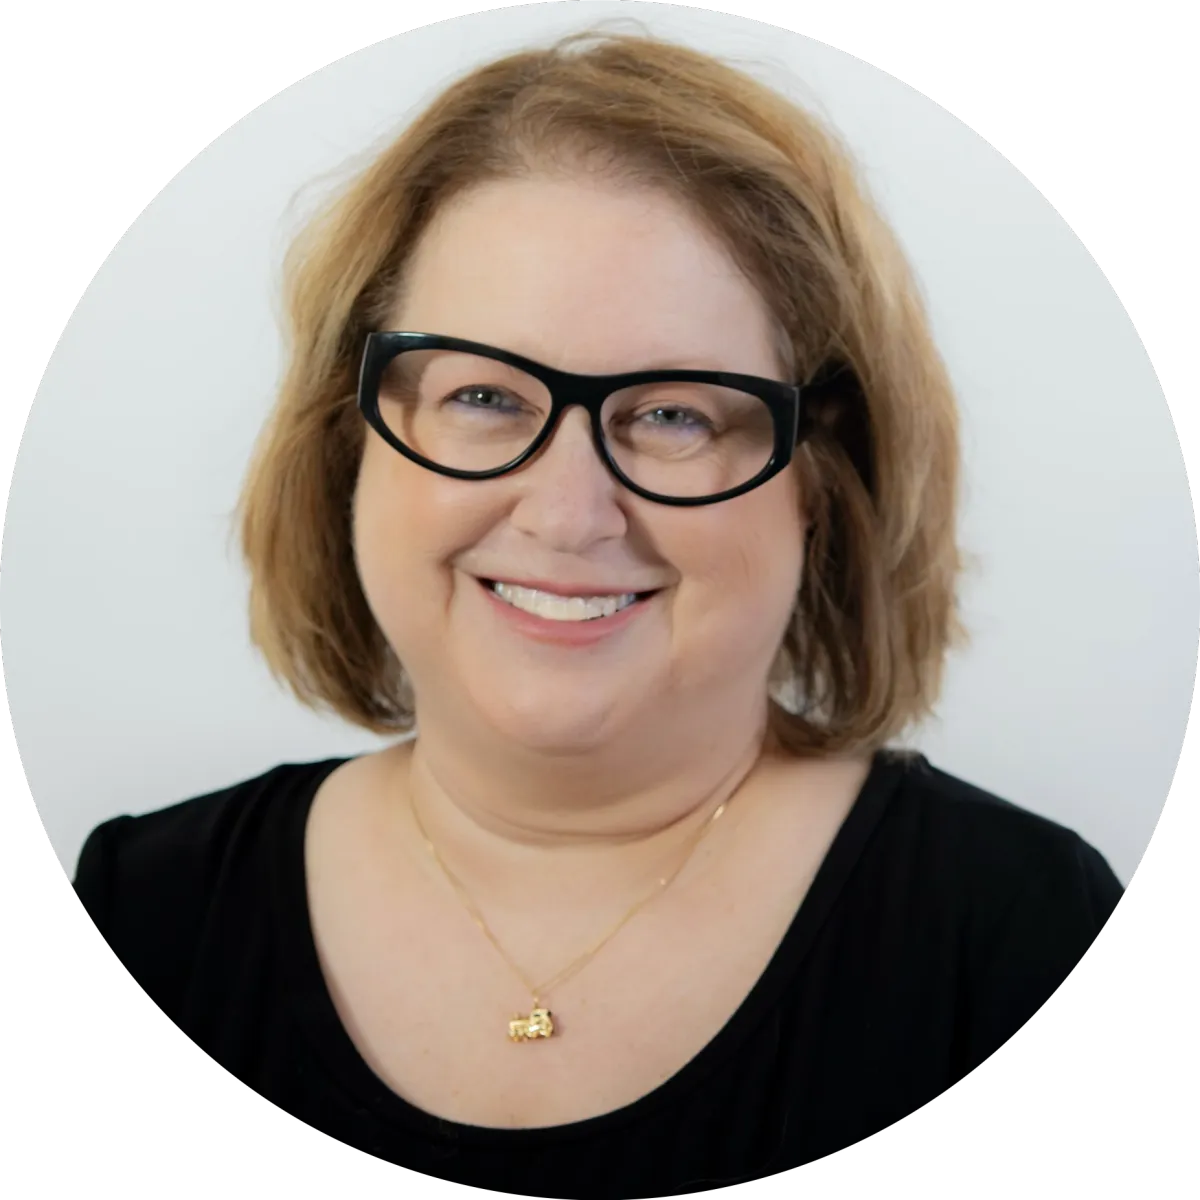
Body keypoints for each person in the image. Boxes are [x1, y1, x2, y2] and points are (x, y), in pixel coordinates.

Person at [71, 29, 1125, 1198]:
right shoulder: (141, 914)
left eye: (675, 415)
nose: (571, 515)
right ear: (352, 443)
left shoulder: (1017, 936)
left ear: (820, 482)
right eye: (482, 394)